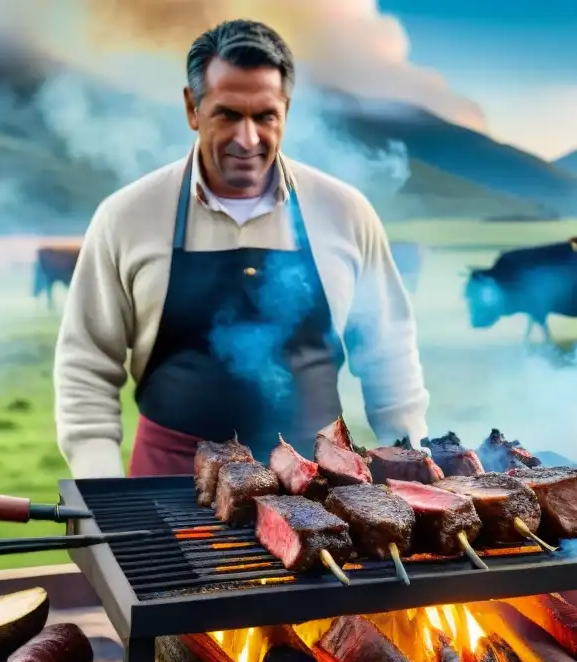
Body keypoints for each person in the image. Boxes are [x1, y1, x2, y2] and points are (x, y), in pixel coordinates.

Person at [53, 19, 430, 477]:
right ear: (193, 108)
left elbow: (387, 355)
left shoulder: (345, 212)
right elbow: (86, 367)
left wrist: (410, 468)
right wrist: (101, 491)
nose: (247, 139)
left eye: (265, 116)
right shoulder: (127, 216)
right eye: (228, 114)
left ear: (286, 110)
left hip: (321, 483)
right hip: (170, 478)